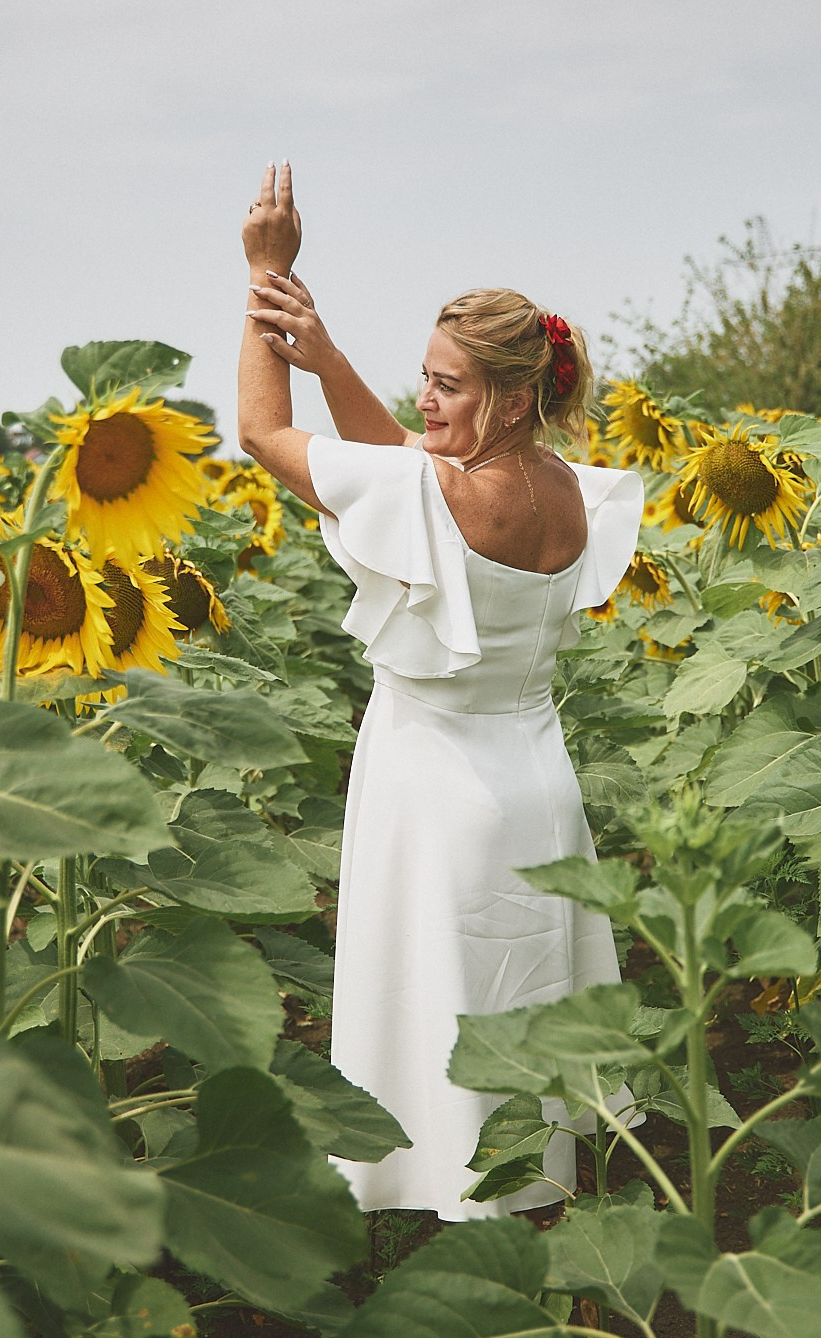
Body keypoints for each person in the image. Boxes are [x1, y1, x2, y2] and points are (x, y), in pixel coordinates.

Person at [234, 163, 644, 1221]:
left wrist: (264, 275)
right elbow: (409, 470)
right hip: (534, 781)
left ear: (513, 396)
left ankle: (450, 1205)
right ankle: (530, 1199)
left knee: (440, 1003)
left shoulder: (444, 493)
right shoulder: (566, 490)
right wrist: (328, 356)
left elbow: (263, 436)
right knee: (521, 992)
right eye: (424, 376)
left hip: (434, 782)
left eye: (447, 385)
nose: (425, 398)